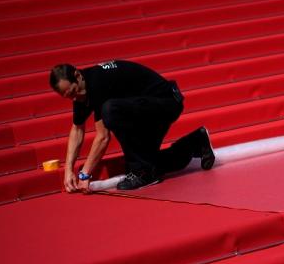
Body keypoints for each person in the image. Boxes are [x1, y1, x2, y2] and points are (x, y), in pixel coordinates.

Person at [49, 60, 215, 191]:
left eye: (72, 92)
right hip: (148, 107)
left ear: (77, 75)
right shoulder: (81, 92)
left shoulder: (97, 83)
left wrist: (84, 175)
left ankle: (143, 172)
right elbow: (77, 129)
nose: (74, 98)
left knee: (110, 110)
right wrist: (68, 170)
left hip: (166, 101)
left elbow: (103, 137)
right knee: (149, 163)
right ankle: (196, 142)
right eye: (68, 97)